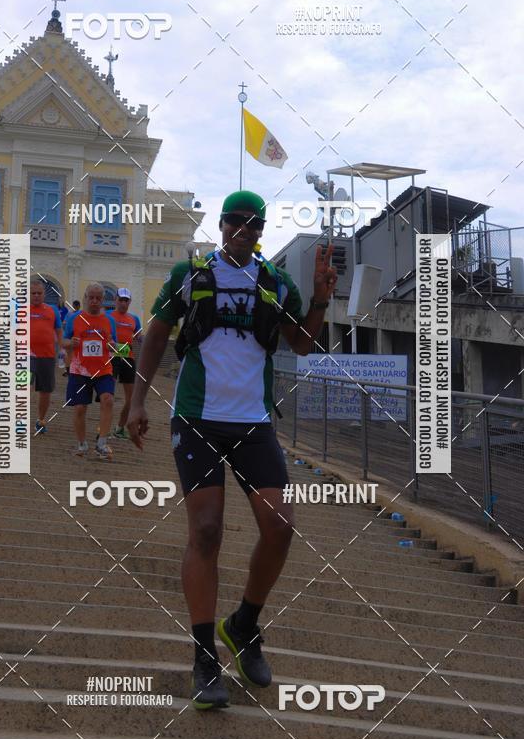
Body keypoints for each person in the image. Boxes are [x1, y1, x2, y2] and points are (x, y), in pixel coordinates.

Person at [128, 190, 338, 710]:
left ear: (261, 230)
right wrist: (137, 402)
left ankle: (243, 624)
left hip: (253, 423)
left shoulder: (274, 282)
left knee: (281, 525)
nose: (243, 230)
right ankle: (204, 657)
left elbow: (303, 344)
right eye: (234, 222)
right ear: (221, 226)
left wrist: (319, 298)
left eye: (253, 224)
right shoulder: (191, 274)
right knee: (205, 530)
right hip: (197, 417)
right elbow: (154, 337)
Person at [63, 283, 117, 459]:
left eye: (98, 298)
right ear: (85, 298)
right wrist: (71, 343)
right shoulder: (74, 319)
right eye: (91, 297)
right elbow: (62, 342)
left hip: (103, 369)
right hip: (80, 370)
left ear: (103, 301)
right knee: (79, 408)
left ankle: (102, 443)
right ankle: (82, 444)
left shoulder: (109, 320)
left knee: (108, 400)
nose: (94, 301)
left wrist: (112, 346)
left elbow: (115, 345)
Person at [107, 287, 143, 439]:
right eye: (120, 300)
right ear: (115, 300)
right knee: (108, 395)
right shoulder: (108, 316)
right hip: (111, 357)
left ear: (129, 302)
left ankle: (119, 428)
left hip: (128, 358)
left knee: (131, 398)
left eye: (126, 300)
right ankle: (104, 429)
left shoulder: (134, 319)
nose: (123, 303)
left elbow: (139, 337)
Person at [30, 279, 63, 434]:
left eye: (39, 293)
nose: (36, 296)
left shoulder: (53, 311)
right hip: (25, 357)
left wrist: (62, 350)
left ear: (44, 294)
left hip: (47, 357)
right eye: (33, 293)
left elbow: (59, 333)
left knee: (45, 391)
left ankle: (41, 420)